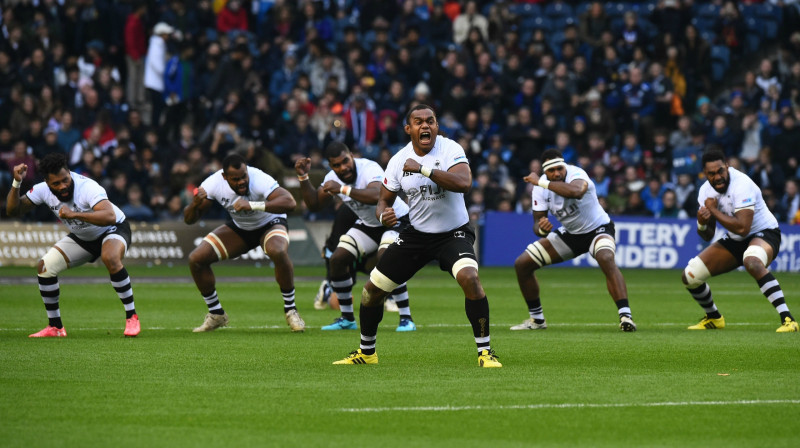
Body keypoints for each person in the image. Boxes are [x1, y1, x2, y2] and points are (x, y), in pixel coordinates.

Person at [332, 104, 501, 367]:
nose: (425, 126)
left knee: (470, 278)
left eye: (430, 121)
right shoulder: (398, 161)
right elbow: (383, 201)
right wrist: (382, 215)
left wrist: (423, 169)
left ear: (436, 127)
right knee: (370, 292)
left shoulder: (451, 149)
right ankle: (367, 353)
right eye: (419, 122)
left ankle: (485, 353)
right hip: (417, 234)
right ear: (408, 129)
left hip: (453, 233)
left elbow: (464, 183)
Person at [5, 153, 140, 338]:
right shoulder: (41, 189)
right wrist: (16, 183)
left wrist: (74, 215)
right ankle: (55, 327)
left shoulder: (87, 187)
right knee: (45, 267)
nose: (63, 186)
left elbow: (110, 216)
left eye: (65, 180)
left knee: (110, 257)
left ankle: (131, 316)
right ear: (47, 182)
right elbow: (13, 210)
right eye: (56, 184)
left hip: (112, 229)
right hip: (83, 236)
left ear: (69, 172)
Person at [511, 148, 637, 332]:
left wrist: (541, 182)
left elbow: (576, 191)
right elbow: (537, 224)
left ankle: (626, 316)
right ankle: (537, 320)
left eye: (559, 168)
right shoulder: (540, 189)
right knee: (522, 264)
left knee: (605, 258)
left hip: (598, 229)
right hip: (571, 235)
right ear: (545, 172)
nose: (556, 173)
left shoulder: (576, 173)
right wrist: (542, 229)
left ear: (564, 166)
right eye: (551, 171)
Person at [296, 142, 416, 331]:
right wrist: (303, 177)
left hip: (396, 219)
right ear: (330, 166)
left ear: (351, 156)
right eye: (337, 165)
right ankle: (347, 319)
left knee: (387, 256)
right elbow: (315, 205)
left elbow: (377, 194)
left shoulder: (368, 167)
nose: (343, 167)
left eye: (345, 161)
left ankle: (406, 318)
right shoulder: (332, 178)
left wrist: (343, 190)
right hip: (369, 224)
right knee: (337, 259)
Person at [183, 153, 305, 333]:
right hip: (241, 228)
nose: (241, 182)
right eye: (235, 179)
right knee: (196, 259)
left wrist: (254, 205)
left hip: (270, 223)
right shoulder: (213, 183)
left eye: (243, 177)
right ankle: (216, 314)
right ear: (224, 177)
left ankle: (291, 310)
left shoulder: (259, 178)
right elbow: (189, 220)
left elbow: (290, 202)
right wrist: (194, 204)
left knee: (278, 251)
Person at [682, 150, 798, 332]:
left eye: (720, 171)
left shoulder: (742, 184)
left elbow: (743, 227)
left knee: (752, 261)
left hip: (764, 233)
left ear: (727, 166)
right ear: (705, 175)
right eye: (711, 174)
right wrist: (703, 223)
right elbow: (707, 235)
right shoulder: (704, 191)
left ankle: (789, 320)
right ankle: (714, 318)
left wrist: (713, 211)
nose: (718, 177)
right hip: (736, 239)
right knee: (690, 276)